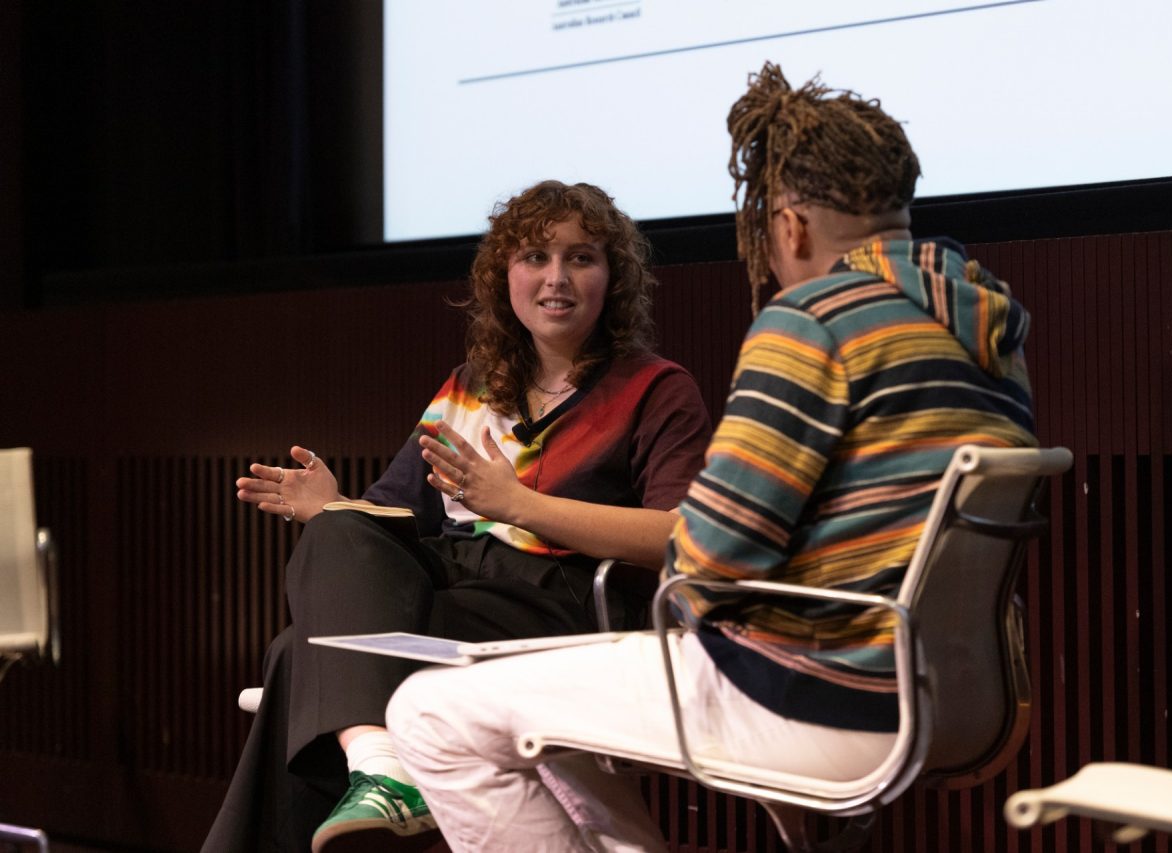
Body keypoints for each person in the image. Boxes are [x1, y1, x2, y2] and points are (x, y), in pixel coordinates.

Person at [383, 62, 1038, 852]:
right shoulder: (990, 325)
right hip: (961, 695)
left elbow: (707, 556)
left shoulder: (814, 321)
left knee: (433, 712)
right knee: (548, 720)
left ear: (788, 226)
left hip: (816, 690)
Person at [202, 180, 713, 853]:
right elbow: (390, 521)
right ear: (506, 275)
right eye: (535, 256)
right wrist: (331, 505)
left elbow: (679, 537)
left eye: (581, 258)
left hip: (561, 599)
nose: (556, 278)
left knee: (301, 653)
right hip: (459, 584)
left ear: (612, 277)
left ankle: (379, 771)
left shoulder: (656, 388)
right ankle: (383, 764)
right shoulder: (470, 384)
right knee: (339, 536)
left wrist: (521, 505)